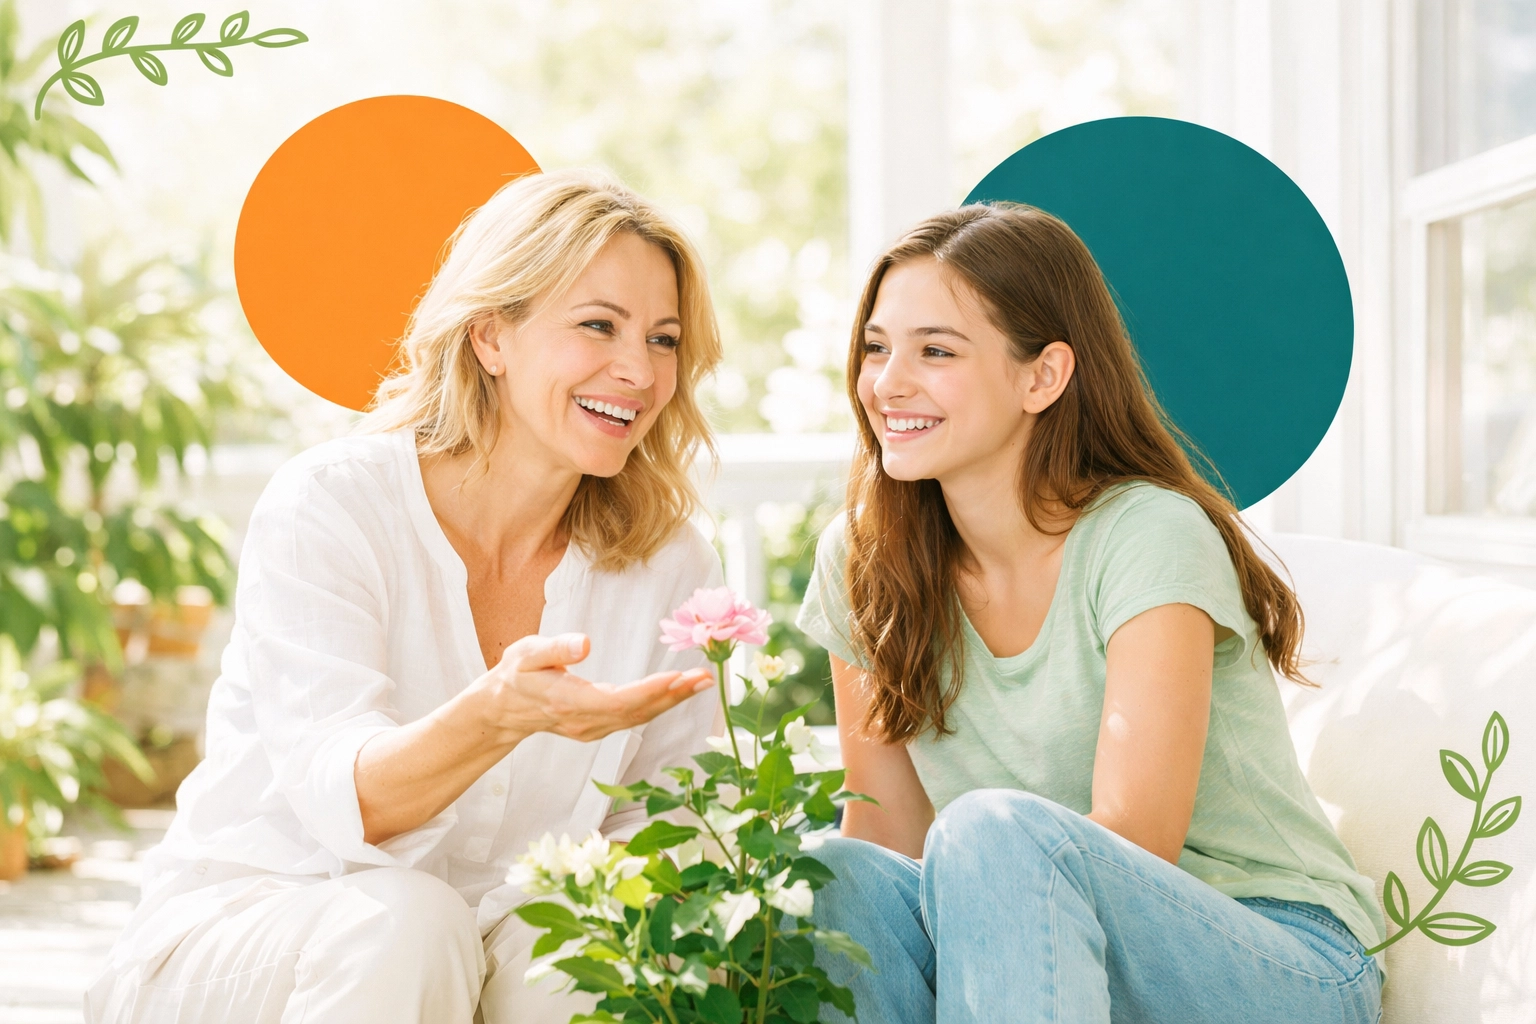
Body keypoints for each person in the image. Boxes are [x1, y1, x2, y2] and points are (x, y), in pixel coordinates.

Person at [87, 170, 727, 1024]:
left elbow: (674, 819)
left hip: (486, 937)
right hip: (263, 928)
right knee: (409, 924)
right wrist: (496, 715)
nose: (638, 370)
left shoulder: (666, 558)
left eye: (663, 338)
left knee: (584, 955)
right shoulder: (333, 505)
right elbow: (348, 801)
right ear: (491, 338)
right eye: (598, 326)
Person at [797, 203, 1385, 1023]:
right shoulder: (864, 560)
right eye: (875, 347)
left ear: (1042, 376)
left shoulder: (1145, 534)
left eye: (935, 351)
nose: (887, 383)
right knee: (841, 877)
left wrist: (987, 872)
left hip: (1276, 956)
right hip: (1032, 935)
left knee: (993, 833)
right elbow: (886, 828)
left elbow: (1137, 837)